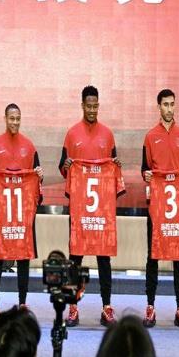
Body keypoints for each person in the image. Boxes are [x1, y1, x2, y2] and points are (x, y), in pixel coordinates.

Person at [59, 85, 122, 327]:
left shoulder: (108, 135)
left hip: (101, 211)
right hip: (80, 209)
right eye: (89, 106)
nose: (93, 110)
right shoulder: (72, 134)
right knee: (75, 258)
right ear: (82, 105)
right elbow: (63, 167)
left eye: (96, 106)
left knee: (104, 260)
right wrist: (66, 166)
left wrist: (116, 165)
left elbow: (113, 165)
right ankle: (73, 307)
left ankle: (107, 307)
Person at [141, 88, 179, 329]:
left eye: (172, 104)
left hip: (178, 209)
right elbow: (145, 169)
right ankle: (150, 306)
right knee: (152, 256)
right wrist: (146, 175)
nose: (169, 108)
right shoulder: (150, 136)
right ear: (159, 107)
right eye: (165, 104)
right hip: (157, 207)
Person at [0, 103, 44, 324]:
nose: (15, 122)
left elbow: (37, 180)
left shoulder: (29, 146)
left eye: (18, 118)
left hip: (23, 213)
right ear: (5, 118)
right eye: (11, 118)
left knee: (24, 256)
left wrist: (39, 175)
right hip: (2, 213)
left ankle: (23, 303)